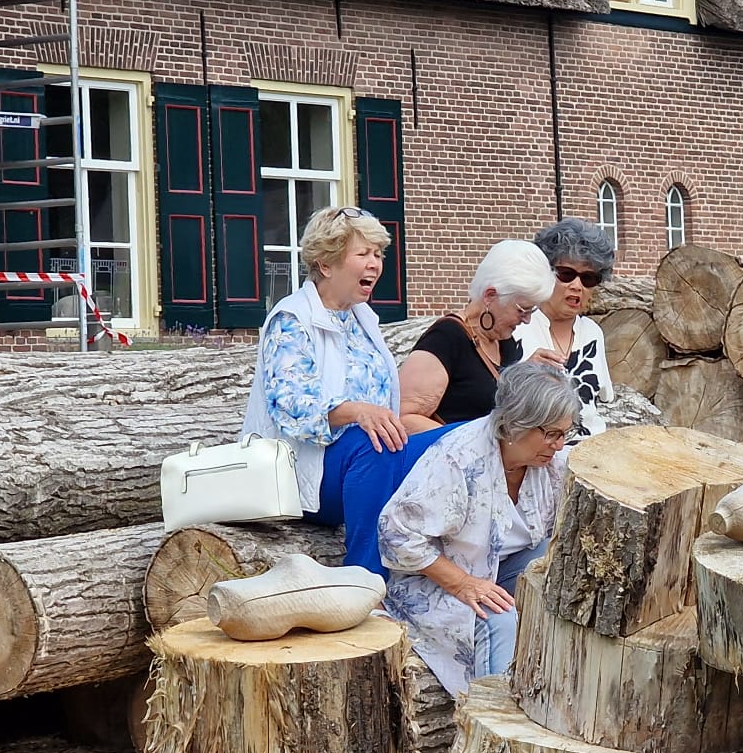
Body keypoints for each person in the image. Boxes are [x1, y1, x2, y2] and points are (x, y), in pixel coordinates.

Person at [378, 362, 578, 697]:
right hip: (437, 581)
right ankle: (498, 718)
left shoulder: (549, 463)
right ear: (516, 423)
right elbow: (396, 533)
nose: (559, 445)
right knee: (499, 617)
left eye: (564, 434)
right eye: (551, 434)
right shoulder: (459, 458)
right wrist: (464, 584)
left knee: (558, 563)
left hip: (500, 570)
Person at [239, 204, 408, 576]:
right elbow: (290, 406)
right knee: (374, 445)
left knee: (454, 440)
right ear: (326, 264)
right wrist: (357, 411)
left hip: (363, 467)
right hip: (305, 476)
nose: (375, 264)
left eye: (378, 254)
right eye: (363, 254)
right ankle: (364, 582)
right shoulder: (292, 318)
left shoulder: (362, 318)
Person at [399, 240, 557, 433]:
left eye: (532, 311)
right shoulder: (446, 338)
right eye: (522, 310)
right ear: (490, 296)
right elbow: (404, 418)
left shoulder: (505, 342)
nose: (527, 320)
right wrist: (467, 443)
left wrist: (525, 375)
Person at [514, 218, 616, 440]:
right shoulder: (516, 327)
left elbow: (603, 398)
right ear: (545, 273)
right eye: (566, 274)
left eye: (588, 278)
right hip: (535, 450)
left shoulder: (593, 333)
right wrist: (523, 373)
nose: (577, 286)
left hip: (591, 449)